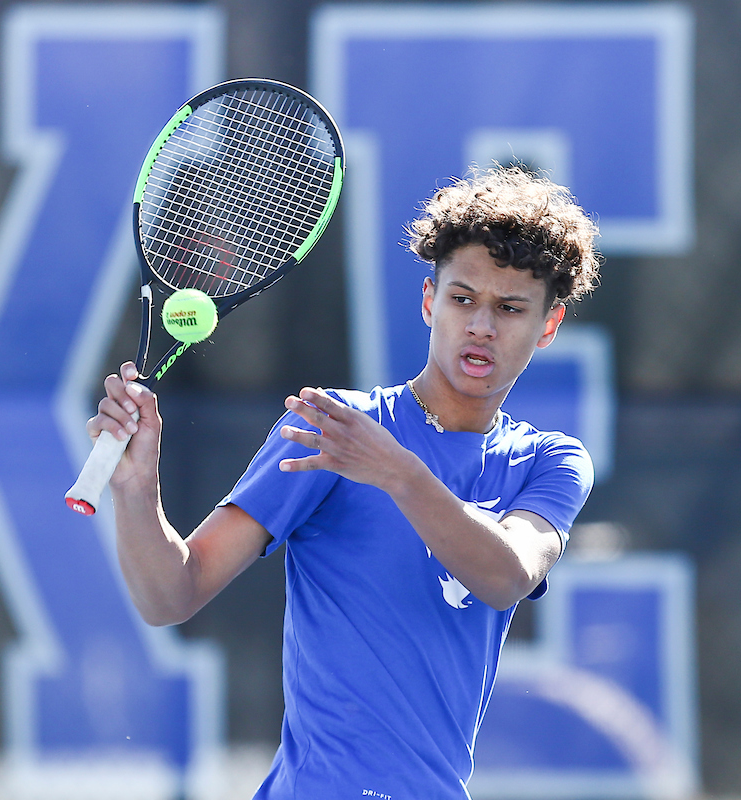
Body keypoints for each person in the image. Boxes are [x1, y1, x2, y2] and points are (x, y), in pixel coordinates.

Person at [88, 166, 601, 798]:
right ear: (429, 301)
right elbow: (171, 595)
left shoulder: (551, 462)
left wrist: (397, 472)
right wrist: (136, 490)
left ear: (548, 325)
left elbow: (506, 576)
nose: (481, 326)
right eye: (462, 299)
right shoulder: (330, 430)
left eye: (510, 308)